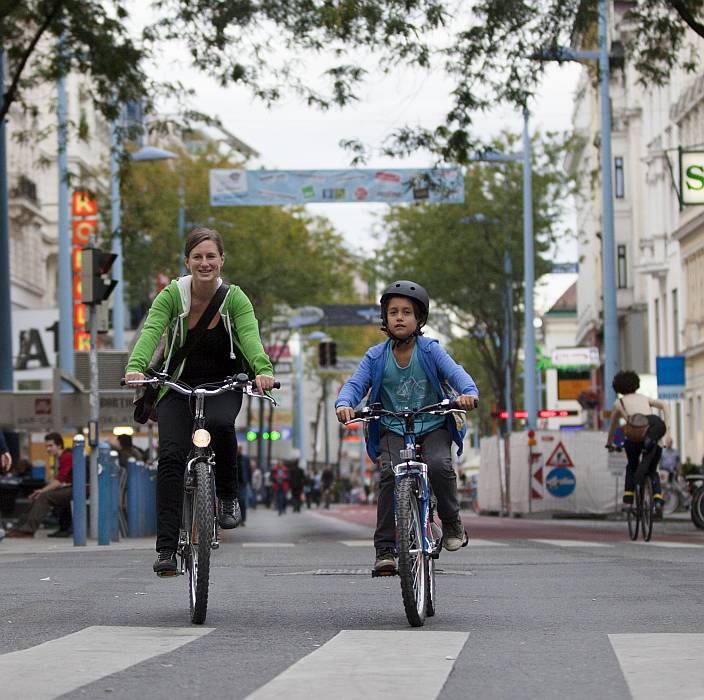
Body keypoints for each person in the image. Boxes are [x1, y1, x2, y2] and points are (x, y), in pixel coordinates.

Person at [124, 227, 275, 576]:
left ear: (222, 259)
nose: (204, 263)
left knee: (222, 425)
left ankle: (227, 497)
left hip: (223, 383)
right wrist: (135, 366)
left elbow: (250, 338)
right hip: (175, 385)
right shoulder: (171, 297)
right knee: (172, 456)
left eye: (211, 256)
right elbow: (151, 331)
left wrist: (263, 370)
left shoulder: (234, 298)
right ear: (187, 261)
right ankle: (165, 549)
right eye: (197, 257)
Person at [335, 280, 479, 573]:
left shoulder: (430, 351)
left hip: (433, 424)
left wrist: (468, 393)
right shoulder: (376, 356)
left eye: (407, 312)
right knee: (389, 474)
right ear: (385, 319)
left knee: (439, 464)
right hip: (393, 427)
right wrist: (344, 403)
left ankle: (451, 523)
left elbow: (456, 374)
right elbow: (355, 384)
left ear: (419, 319)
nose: (399, 317)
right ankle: (385, 549)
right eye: (393, 312)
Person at [606, 370, 669, 513]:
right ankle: (658, 499)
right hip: (653, 436)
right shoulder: (644, 398)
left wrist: (610, 443)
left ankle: (628, 501)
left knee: (632, 466)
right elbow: (664, 405)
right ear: (636, 384)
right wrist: (668, 432)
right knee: (653, 470)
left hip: (634, 438)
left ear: (618, 388)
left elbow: (613, 427)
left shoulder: (619, 403)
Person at [6, 433, 73, 538]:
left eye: (51, 446)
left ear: (59, 445)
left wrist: (42, 491)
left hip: (80, 489)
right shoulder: (61, 458)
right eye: (46, 446)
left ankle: (28, 530)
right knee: (40, 496)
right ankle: (21, 527)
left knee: (44, 496)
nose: (48, 449)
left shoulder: (67, 457)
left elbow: (59, 481)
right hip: (72, 488)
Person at [237, 446, 251, 525]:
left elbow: (248, 470)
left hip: (243, 483)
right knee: (236, 502)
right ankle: (237, 519)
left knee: (242, 500)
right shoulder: (233, 458)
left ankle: (243, 519)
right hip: (234, 482)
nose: (238, 450)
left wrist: (249, 481)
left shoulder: (245, 459)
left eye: (240, 449)